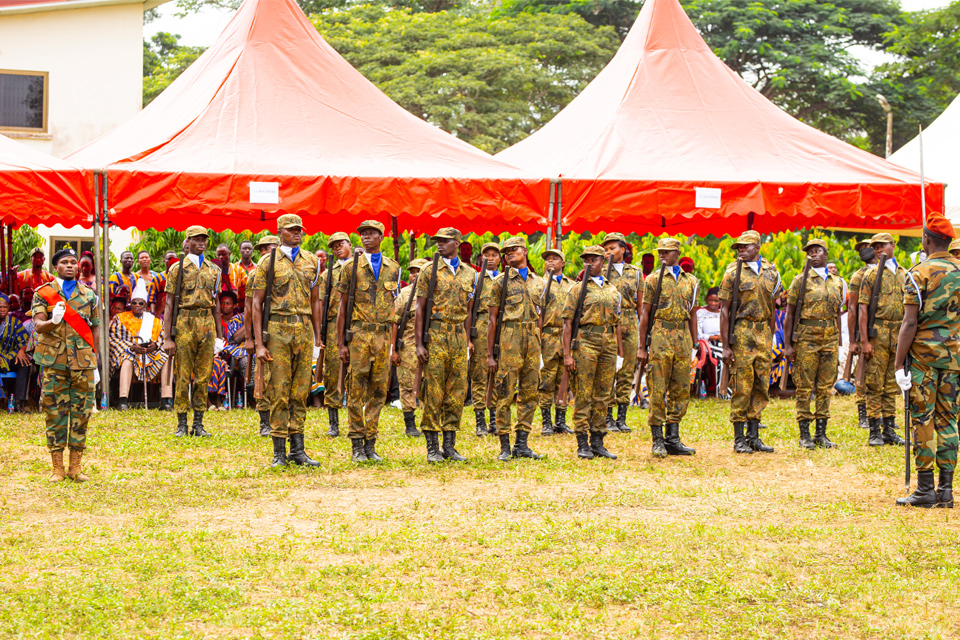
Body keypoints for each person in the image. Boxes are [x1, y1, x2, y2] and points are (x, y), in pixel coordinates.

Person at [895, 213, 960, 507]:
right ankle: (946, 490)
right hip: (955, 358)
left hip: (923, 358)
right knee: (949, 420)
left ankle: (924, 489)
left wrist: (898, 364)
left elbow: (909, 324)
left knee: (923, 418)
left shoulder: (917, 273)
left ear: (926, 240)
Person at [251, 215, 322, 468]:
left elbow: (315, 301)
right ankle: (279, 451)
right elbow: (256, 304)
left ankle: (298, 450)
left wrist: (318, 336)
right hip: (277, 329)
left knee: (300, 391)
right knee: (279, 390)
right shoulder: (267, 262)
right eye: (291, 230)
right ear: (279, 232)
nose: (297, 234)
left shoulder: (312, 261)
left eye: (299, 230)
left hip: (303, 329)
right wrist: (259, 343)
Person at [31, 248, 99, 482]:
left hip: (82, 361)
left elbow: (96, 327)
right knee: (54, 412)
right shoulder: (44, 293)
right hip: (54, 361)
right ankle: (57, 468)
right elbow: (38, 325)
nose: (70, 265)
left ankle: (75, 467)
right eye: (64, 262)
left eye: (73, 262)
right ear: (56, 267)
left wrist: (95, 355)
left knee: (81, 412)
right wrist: (53, 320)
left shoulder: (89, 295)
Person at [338, 220, 400, 463]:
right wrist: (341, 342)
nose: (366, 237)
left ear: (381, 236)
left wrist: (394, 343)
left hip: (383, 336)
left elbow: (394, 307)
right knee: (355, 389)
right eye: (363, 234)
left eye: (371, 233)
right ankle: (356, 443)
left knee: (378, 391)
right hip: (359, 335)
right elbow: (342, 307)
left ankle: (370, 443)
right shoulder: (351, 267)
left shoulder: (393, 267)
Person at [415, 228, 474, 463]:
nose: (439, 245)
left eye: (444, 241)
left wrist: (468, 338)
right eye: (437, 241)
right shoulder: (428, 270)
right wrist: (419, 343)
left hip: (458, 335)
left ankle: (449, 445)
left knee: (456, 391)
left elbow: (469, 311)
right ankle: (432, 447)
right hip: (436, 334)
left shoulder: (469, 273)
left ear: (456, 243)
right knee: (434, 391)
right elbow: (419, 308)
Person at [719, 230, 781, 454]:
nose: (741, 250)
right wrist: (726, 346)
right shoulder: (733, 272)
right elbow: (724, 311)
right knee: (742, 386)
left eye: (745, 246)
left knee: (761, 384)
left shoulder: (771, 272)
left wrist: (772, 336)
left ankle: (754, 436)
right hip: (742, 331)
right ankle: (739, 438)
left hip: (763, 332)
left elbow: (773, 306)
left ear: (758, 247)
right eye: (739, 247)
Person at [637, 237, 699, 457]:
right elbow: (644, 315)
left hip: (682, 336)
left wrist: (695, 341)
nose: (662, 255)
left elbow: (692, 313)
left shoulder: (691, 281)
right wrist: (642, 346)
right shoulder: (653, 279)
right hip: (661, 334)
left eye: (667, 252)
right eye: (660, 251)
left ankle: (673, 438)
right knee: (657, 387)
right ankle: (657, 439)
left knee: (681, 388)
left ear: (677, 254)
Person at [486, 236, 545, 461]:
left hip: (532, 338)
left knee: (530, 391)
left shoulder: (538, 281)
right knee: (505, 391)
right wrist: (491, 354)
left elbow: (542, 315)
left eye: (513, 250)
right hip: (509, 337)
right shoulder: (500, 281)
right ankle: (504, 445)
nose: (509, 254)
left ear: (524, 251)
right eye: (506, 252)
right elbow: (492, 320)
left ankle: (522, 444)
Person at [162, 226, 223, 438]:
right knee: (182, 374)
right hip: (185, 321)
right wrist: (167, 337)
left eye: (203, 239)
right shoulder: (176, 269)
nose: (201, 243)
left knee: (204, 375)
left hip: (206, 322)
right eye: (196, 239)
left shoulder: (214, 270)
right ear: (187, 242)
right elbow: (169, 303)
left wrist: (220, 335)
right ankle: (181, 422)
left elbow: (216, 304)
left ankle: (198, 422)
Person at [783, 239, 844, 449]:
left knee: (825, 386)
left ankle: (821, 433)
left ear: (825, 255)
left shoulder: (837, 282)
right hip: (807, 338)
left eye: (817, 251)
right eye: (809, 252)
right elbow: (789, 315)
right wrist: (789, 344)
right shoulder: (799, 281)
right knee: (804, 386)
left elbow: (838, 313)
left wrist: (839, 341)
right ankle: (804, 434)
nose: (813, 255)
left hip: (829, 338)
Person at [563, 245, 622, 460]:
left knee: (603, 394)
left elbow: (617, 322)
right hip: (585, 342)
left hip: (608, 344)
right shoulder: (577, 289)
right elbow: (567, 324)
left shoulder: (612, 290)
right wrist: (568, 354)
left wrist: (619, 353)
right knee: (583, 393)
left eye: (594, 259)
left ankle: (598, 441)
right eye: (586, 260)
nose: (589, 263)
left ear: (602, 262)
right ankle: (582, 442)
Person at [858, 233, 907, 448]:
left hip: (898, 333)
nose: (879, 250)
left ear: (892, 245)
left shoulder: (905, 274)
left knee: (891, 383)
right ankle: (874, 430)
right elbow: (862, 309)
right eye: (875, 247)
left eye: (882, 245)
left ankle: (889, 429)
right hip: (878, 332)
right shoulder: (871, 275)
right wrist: (865, 341)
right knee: (874, 383)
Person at [602, 232, 643, 432]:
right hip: (608, 323)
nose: (608, 252)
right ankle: (608, 417)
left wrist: (643, 334)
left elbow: (640, 305)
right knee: (609, 369)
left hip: (629, 323)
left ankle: (622, 416)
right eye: (606, 249)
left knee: (627, 371)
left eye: (612, 248)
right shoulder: (600, 272)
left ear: (623, 249)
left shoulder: (635, 272)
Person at [109, 279, 171, 410]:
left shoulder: (154, 321)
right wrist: (132, 347)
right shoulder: (121, 318)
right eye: (134, 302)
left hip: (150, 354)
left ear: (145, 305)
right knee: (127, 359)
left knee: (167, 359)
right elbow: (114, 338)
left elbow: (163, 338)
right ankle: (123, 401)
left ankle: (166, 400)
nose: (136, 305)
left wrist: (155, 346)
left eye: (140, 303)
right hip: (130, 351)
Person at [243, 235, 281, 436]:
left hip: (283, 330)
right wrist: (250, 338)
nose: (269, 252)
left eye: (273, 248)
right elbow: (249, 309)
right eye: (265, 249)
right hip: (263, 332)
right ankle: (265, 421)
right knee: (262, 378)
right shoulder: (254, 275)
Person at [538, 247, 575, 435]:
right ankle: (546, 421)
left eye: (554, 259)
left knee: (564, 378)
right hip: (548, 334)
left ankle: (561, 420)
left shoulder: (572, 285)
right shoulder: (540, 284)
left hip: (566, 336)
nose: (550, 262)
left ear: (563, 263)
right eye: (547, 259)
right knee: (547, 378)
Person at [319, 231, 351, 437]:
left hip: (357, 324)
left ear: (349, 244)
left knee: (357, 372)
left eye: (341, 244)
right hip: (332, 326)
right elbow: (321, 303)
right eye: (333, 246)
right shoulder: (327, 274)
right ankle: (333, 422)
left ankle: (356, 420)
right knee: (332, 371)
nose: (337, 248)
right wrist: (320, 333)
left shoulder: (360, 268)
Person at [392, 258, 428, 438]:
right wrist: (393, 350)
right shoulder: (404, 295)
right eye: (412, 272)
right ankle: (410, 424)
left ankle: (428, 421)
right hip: (408, 346)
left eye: (419, 271)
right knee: (406, 385)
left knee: (428, 385)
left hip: (430, 347)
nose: (415, 275)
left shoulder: (433, 293)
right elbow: (394, 322)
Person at [468, 242, 501, 437]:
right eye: (486, 255)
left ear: (500, 258)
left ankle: (495, 419)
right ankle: (480, 420)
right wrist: (468, 339)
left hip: (501, 329)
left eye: (494, 254)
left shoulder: (505, 279)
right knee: (479, 374)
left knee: (498, 374)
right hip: (480, 327)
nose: (490, 258)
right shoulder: (476, 280)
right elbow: (469, 310)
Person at [0, 294, 30, 410]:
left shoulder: (15, 323)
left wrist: (22, 350)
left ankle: (18, 402)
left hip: (9, 357)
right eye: (0, 307)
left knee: (24, 363)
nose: (2, 310)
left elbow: (23, 341)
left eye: (4, 307)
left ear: (8, 308)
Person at [696, 287, 722, 395]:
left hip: (722, 342)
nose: (713, 303)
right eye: (710, 300)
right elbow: (699, 334)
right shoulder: (701, 312)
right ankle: (715, 388)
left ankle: (726, 388)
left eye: (716, 300)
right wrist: (715, 337)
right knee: (720, 356)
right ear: (707, 299)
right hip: (706, 343)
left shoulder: (723, 313)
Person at [151, 251, 179, 317]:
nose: (172, 261)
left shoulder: (181, 277)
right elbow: (152, 299)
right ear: (164, 261)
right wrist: (153, 315)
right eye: (169, 259)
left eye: (174, 258)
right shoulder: (157, 278)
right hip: (161, 314)